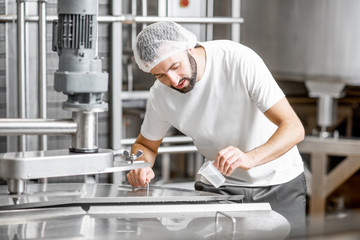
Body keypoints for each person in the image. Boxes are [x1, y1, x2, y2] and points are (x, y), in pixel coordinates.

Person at [127, 21, 307, 237]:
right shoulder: (160, 96)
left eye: (175, 67)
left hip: (280, 183)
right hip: (220, 185)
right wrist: (140, 164)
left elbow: (294, 128)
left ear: (189, 47)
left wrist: (250, 158)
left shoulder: (237, 60)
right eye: (160, 75)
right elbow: (145, 144)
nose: (173, 81)